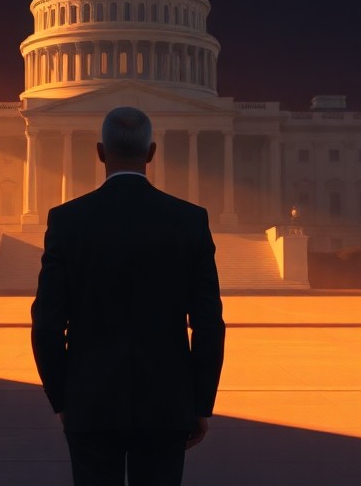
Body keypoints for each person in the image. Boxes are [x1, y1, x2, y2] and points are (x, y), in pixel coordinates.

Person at [32, 106, 226, 486]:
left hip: (90, 402)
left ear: (101, 152)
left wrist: (64, 399)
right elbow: (208, 325)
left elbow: (47, 325)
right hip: (167, 403)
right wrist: (200, 403)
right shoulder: (189, 220)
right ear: (151, 152)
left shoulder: (67, 221)